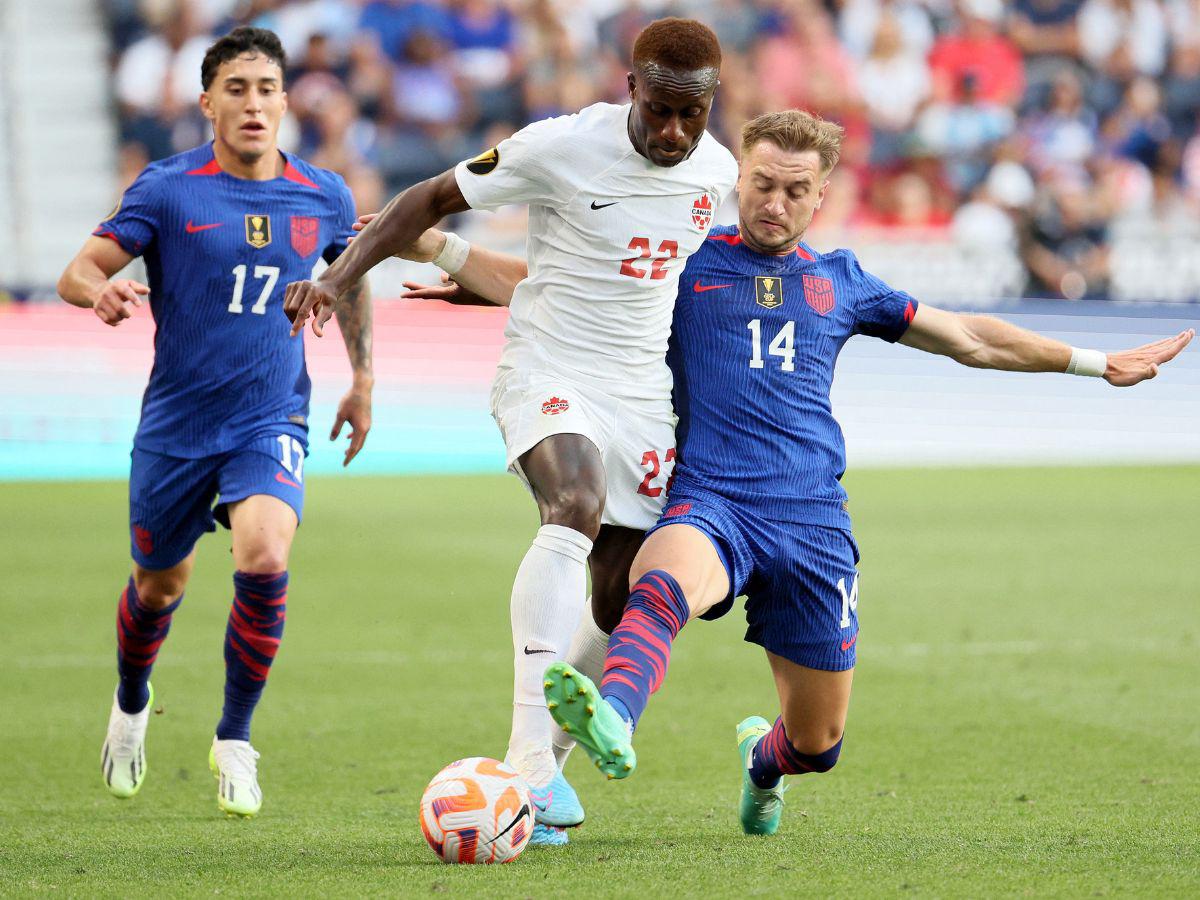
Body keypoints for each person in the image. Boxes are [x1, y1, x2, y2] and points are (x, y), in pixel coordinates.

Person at [395, 109, 1193, 836]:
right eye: (761, 184)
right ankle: (615, 720)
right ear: (737, 178)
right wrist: (459, 263)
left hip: (812, 522)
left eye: (793, 190)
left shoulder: (841, 281)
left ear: (821, 197)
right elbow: (576, 294)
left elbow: (970, 338)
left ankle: (762, 763)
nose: (773, 202)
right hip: (711, 501)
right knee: (659, 585)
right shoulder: (687, 263)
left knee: (817, 743)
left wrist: (1093, 362)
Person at [286, 18, 738, 845]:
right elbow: (422, 200)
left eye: (692, 114)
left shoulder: (718, 176)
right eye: (661, 110)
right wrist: (337, 276)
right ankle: (530, 761)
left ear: (712, 104)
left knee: (619, 592)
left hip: (642, 396)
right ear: (631, 88)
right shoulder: (559, 146)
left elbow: (636, 284)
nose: (674, 131)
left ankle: (547, 777)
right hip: (548, 369)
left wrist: (487, 281)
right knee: (571, 503)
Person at [57, 27, 373, 818]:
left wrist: (363, 378)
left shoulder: (323, 194)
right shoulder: (167, 189)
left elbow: (352, 278)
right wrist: (95, 290)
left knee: (264, 556)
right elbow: (81, 266)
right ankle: (132, 705)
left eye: (267, 87)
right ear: (207, 103)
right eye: (237, 88)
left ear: (285, 99)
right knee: (159, 587)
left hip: (270, 418)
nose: (255, 103)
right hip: (176, 428)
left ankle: (234, 737)